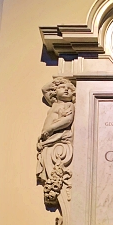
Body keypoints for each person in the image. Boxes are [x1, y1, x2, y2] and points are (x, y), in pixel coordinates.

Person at [37, 77, 75, 205]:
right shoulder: (54, 103)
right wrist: (60, 79)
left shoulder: (69, 105)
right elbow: (44, 89)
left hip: (57, 136)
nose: (66, 90)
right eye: (62, 88)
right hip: (48, 138)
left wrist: (51, 129)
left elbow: (68, 120)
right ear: (54, 91)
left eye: (69, 89)